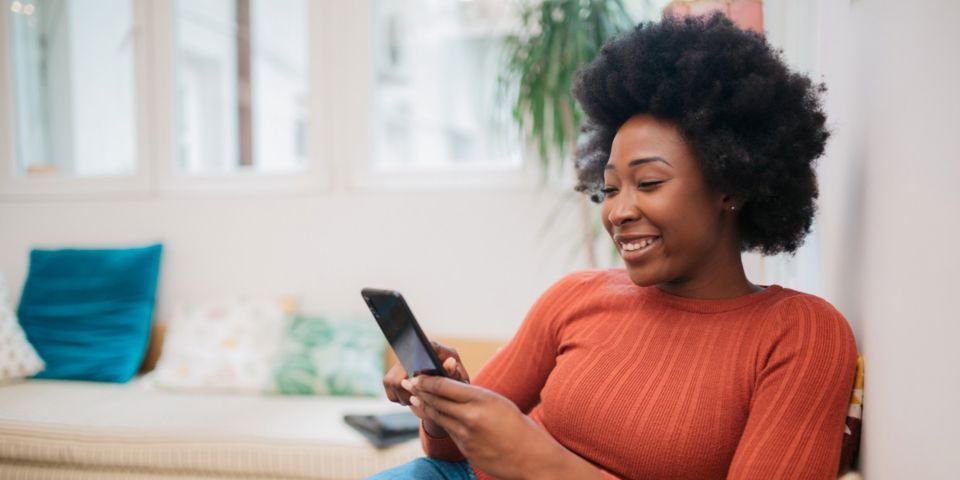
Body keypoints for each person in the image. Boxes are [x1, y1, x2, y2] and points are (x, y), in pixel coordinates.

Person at [371, 13, 857, 480]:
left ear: (730, 186)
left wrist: (547, 466)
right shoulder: (576, 297)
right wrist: (440, 408)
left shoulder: (800, 335)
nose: (617, 212)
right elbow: (452, 453)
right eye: (609, 189)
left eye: (647, 183)